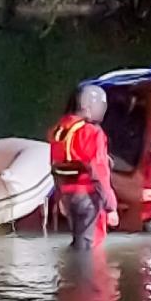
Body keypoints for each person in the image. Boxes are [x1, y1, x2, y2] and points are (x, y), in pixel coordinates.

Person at [49, 85, 119, 250]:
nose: (103, 111)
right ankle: (84, 275)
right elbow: (99, 172)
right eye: (101, 106)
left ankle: (72, 274)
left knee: (78, 242)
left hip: (68, 196)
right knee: (89, 245)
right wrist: (111, 207)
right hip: (88, 197)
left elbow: (54, 165)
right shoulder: (92, 133)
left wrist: (59, 198)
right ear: (88, 107)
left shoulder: (59, 130)